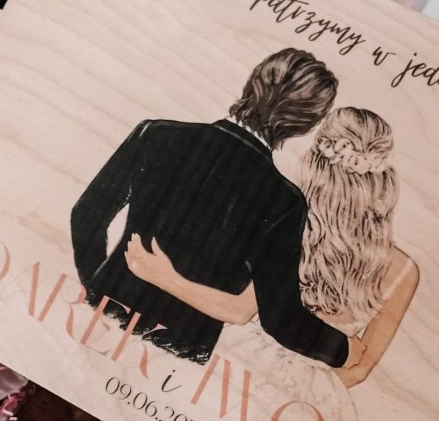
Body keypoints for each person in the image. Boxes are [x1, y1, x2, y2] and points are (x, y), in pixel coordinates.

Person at [70, 49, 362, 368]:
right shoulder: (285, 202)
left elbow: (87, 215)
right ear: (306, 125)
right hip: (176, 350)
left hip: (99, 318)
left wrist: (97, 292)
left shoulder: (156, 134)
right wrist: (344, 351)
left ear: (253, 81)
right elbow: (280, 319)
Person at [125, 106, 419, 396]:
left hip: (238, 373)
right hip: (313, 396)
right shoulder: (403, 270)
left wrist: (164, 276)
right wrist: (307, 393)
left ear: (315, 166)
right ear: (384, 179)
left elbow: (239, 310)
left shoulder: (290, 224)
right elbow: (360, 367)